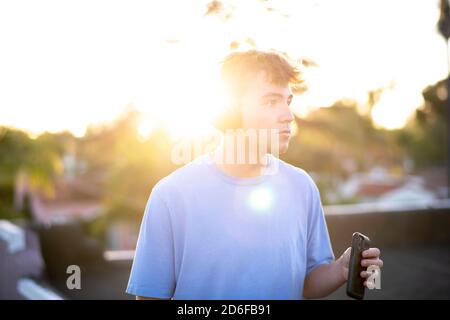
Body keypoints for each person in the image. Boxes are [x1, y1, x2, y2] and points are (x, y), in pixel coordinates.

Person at [126, 50, 383, 300]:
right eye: (271, 101)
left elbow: (307, 282)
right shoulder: (171, 195)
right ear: (229, 110)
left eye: (288, 101)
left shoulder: (302, 186)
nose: (288, 115)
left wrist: (340, 269)